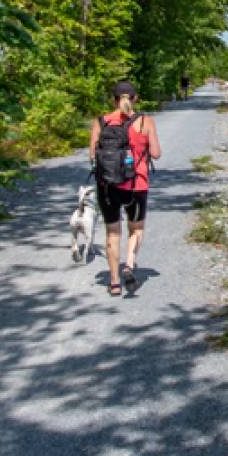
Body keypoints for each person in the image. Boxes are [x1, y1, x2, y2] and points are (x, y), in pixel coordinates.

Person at [89, 80, 161, 296]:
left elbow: (93, 156)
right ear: (135, 98)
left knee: (112, 232)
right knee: (136, 228)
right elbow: (156, 153)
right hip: (136, 185)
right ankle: (129, 264)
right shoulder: (144, 121)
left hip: (107, 185)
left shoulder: (101, 122)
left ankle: (113, 282)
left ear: (113, 99)